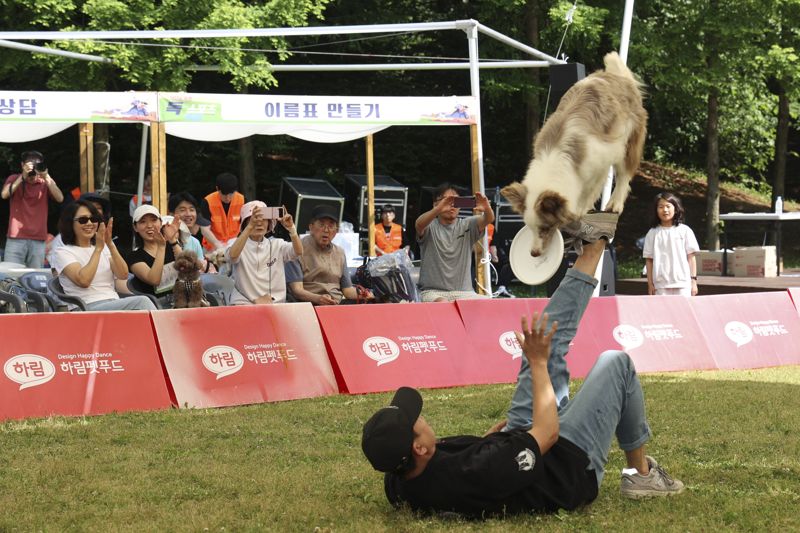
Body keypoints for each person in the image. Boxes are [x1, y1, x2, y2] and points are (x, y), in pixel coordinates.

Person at [361, 213, 684, 518]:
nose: (422, 416)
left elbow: (456, 470)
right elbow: (546, 434)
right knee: (615, 362)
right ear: (418, 447)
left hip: (513, 445)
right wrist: (538, 363)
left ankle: (592, 247)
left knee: (546, 335)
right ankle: (641, 476)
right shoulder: (476, 473)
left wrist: (485, 443)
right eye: (417, 421)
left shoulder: (400, 480)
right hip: (568, 465)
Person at [49, 200, 155, 311]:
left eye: (94, 219)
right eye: (83, 220)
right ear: (70, 223)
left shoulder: (103, 246)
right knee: (142, 302)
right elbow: (84, 281)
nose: (89, 223)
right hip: (84, 307)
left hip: (114, 301)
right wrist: (98, 249)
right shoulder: (63, 252)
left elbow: (123, 274)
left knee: (144, 303)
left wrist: (110, 244)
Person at [415, 183, 494, 302]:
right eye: (446, 201)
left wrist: (487, 208)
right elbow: (419, 224)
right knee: (443, 305)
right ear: (435, 203)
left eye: (456, 201)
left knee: (488, 304)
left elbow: (488, 219)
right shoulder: (429, 226)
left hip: (465, 292)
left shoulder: (468, 224)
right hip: (433, 292)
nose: (451, 205)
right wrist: (437, 210)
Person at [287, 204, 370, 305]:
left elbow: (347, 290)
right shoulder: (296, 249)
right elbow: (297, 290)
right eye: (321, 225)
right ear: (311, 227)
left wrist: (368, 294)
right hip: (308, 305)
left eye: (331, 226)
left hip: (335, 305)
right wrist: (318, 298)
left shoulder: (340, 252)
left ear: (336, 231)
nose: (326, 230)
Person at [226, 200, 303, 305]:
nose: (259, 223)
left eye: (264, 219)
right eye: (253, 219)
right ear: (245, 223)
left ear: (269, 224)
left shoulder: (277, 244)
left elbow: (298, 251)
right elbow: (232, 256)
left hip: (275, 304)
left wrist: (292, 229)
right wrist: (249, 227)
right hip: (243, 303)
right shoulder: (235, 243)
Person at [1, 150, 64, 267]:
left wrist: (46, 176)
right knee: (10, 275)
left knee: (35, 277)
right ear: (22, 165)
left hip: (38, 238)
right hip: (16, 237)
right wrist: (22, 177)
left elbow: (60, 198)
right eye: (30, 166)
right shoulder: (14, 178)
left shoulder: (45, 182)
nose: (33, 172)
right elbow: (4, 195)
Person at [643, 192, 700, 296]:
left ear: (675, 208)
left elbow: (691, 258)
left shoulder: (685, 230)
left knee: (683, 312)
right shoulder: (652, 233)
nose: (665, 210)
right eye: (661, 207)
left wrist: (693, 281)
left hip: (683, 283)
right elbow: (649, 260)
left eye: (668, 206)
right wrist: (650, 284)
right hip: (660, 285)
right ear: (656, 210)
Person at [127, 204, 184, 297]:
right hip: (157, 305)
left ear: (161, 223)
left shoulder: (172, 246)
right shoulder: (134, 257)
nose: (149, 225)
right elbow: (154, 280)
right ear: (135, 227)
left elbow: (188, 268)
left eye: (154, 220)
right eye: (143, 222)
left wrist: (173, 240)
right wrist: (161, 247)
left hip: (184, 298)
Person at [201, 172, 245, 249]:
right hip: (212, 247)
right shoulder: (207, 201)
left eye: (231, 194)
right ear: (217, 189)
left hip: (235, 245)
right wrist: (218, 245)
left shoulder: (242, 200)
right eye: (224, 194)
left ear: (236, 190)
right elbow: (204, 229)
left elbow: (247, 226)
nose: (227, 198)